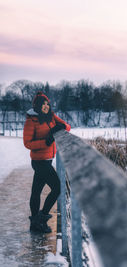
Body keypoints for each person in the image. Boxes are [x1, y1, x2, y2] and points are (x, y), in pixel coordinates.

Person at [23, 91, 71, 233]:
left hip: (48, 160)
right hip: (39, 161)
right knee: (57, 187)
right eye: (43, 104)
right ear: (37, 106)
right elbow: (27, 143)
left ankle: (35, 223)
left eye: (47, 103)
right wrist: (46, 141)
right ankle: (42, 218)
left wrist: (60, 127)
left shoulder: (51, 117)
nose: (46, 106)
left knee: (36, 191)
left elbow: (67, 126)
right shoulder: (31, 121)